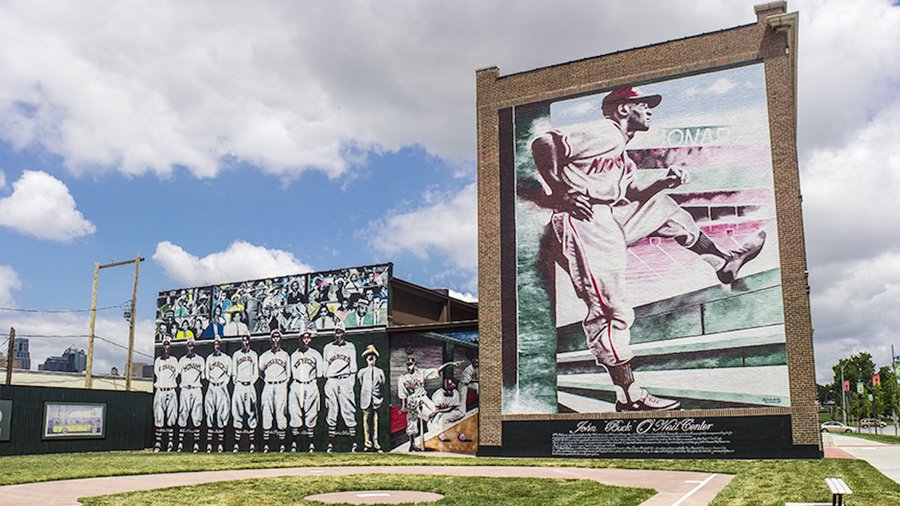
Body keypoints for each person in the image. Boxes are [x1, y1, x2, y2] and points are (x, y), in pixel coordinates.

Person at [530, 85, 766, 412]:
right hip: (581, 220)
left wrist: (663, 182)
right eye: (643, 104)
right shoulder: (605, 132)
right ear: (623, 109)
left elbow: (633, 193)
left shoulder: (621, 156)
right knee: (611, 309)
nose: (650, 110)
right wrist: (559, 191)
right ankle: (629, 395)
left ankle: (722, 262)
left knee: (663, 205)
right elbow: (543, 143)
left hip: (607, 214)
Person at [397, 356, 460, 451]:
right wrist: (403, 406)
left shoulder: (421, 372)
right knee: (412, 422)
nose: (409, 367)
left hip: (424, 397)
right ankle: (412, 445)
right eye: (407, 365)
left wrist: (450, 363)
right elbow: (402, 394)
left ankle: (436, 436)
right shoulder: (402, 378)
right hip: (412, 400)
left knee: (436, 413)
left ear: (415, 364)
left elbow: (437, 371)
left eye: (410, 364)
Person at [288, 324, 324, 452]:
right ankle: (294, 444)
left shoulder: (315, 354)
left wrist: (313, 383)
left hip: (310, 384)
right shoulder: (293, 355)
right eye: (304, 337)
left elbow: (320, 375)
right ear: (300, 339)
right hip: (297, 384)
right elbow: (290, 373)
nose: (306, 340)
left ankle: (311, 444)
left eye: (308, 337)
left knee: (311, 414)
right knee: (295, 413)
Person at [323, 321, 357, 452]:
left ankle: (353, 443)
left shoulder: (350, 346)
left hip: (345, 379)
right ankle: (330, 444)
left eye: (340, 332)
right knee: (332, 410)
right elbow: (325, 367)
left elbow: (353, 368)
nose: (338, 334)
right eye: (336, 332)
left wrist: (350, 383)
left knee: (348, 410)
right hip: (331, 380)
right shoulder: (328, 347)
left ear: (344, 333)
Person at [259, 330, 291, 452]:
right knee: (266, 411)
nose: (275, 340)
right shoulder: (265, 356)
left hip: (281, 385)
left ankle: (282, 444)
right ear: (270, 339)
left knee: (280, 412)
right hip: (268, 384)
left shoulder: (285, 355)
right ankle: (266, 444)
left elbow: (288, 375)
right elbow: (260, 372)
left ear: (280, 339)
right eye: (273, 337)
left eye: (278, 337)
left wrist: (282, 383)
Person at [231, 332, 259, 452]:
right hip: (239, 385)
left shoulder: (254, 354)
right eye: (243, 340)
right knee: (237, 412)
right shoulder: (236, 354)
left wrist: (250, 382)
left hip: (249, 385)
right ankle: (236, 444)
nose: (245, 342)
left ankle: (252, 443)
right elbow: (234, 372)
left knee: (251, 412)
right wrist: (237, 382)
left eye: (247, 340)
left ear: (249, 341)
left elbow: (256, 372)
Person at [177, 338, 205, 452]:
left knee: (197, 416)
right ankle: (180, 444)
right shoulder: (182, 360)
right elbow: (178, 374)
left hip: (196, 388)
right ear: (186, 347)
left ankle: (196, 444)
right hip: (185, 389)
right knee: (183, 414)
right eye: (189, 345)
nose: (190, 347)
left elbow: (204, 377)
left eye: (192, 345)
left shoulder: (200, 360)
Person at [204, 336, 232, 452]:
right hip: (211, 386)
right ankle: (209, 444)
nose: (217, 346)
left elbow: (229, 374)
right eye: (215, 344)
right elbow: (206, 374)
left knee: (221, 414)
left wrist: (224, 384)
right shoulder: (209, 358)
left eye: (218, 344)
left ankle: (220, 444)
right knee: (209, 413)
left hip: (221, 386)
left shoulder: (226, 358)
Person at [356, 344, 385, 452]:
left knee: (376, 422)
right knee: (366, 421)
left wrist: (378, 396)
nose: (371, 358)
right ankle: (367, 443)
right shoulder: (362, 372)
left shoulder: (380, 372)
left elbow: (382, 385)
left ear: (376, 358)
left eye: (373, 356)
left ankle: (376, 442)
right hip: (365, 400)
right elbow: (360, 383)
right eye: (369, 356)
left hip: (376, 400)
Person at [153, 339, 179, 452]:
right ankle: (158, 443)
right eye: (165, 345)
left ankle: (170, 443)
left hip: (171, 389)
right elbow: (156, 373)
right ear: (162, 347)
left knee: (171, 418)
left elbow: (176, 373)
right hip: (160, 389)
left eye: (168, 345)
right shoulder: (158, 360)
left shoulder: (174, 360)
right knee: (158, 416)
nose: (166, 347)